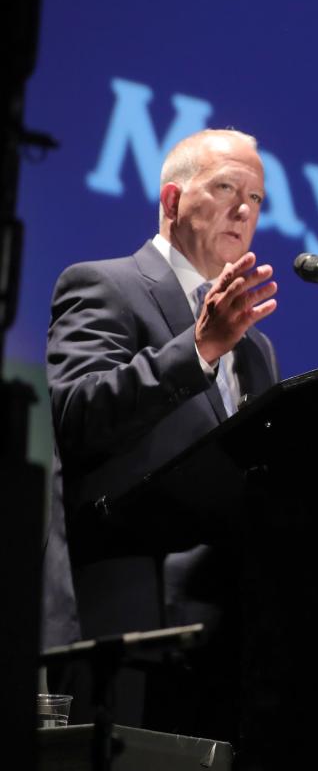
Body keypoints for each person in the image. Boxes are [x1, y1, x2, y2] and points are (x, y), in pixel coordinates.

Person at [42, 128, 278, 735]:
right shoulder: (105, 286)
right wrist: (196, 349)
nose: (244, 208)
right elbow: (80, 415)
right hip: (123, 636)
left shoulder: (258, 353)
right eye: (226, 187)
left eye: (256, 197)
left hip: (224, 644)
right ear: (173, 202)